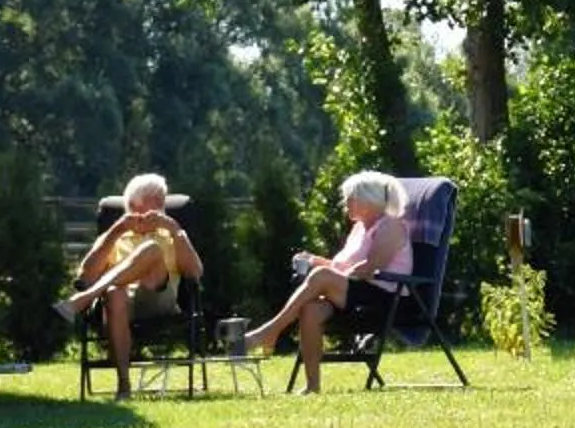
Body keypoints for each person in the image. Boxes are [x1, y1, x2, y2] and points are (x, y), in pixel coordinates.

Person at [235, 170, 412, 392]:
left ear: (369, 200)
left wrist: (327, 277)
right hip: (356, 294)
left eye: (350, 198)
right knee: (311, 309)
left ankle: (270, 331)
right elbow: (344, 268)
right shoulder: (359, 229)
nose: (345, 202)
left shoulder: (391, 226)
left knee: (321, 277)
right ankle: (312, 386)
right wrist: (315, 261)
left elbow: (368, 269)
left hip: (385, 299)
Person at [55, 172, 206, 399]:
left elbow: (195, 273)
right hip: (122, 304)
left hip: (159, 297)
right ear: (135, 206)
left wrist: (175, 229)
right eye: (156, 200)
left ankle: (84, 300)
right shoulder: (114, 236)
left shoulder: (171, 234)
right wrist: (116, 231)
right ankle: (124, 385)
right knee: (115, 293)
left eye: (163, 200)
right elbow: (85, 276)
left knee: (151, 249)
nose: (162, 206)